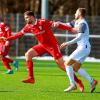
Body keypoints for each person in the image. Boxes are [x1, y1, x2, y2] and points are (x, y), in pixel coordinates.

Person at [1, 11, 84, 92]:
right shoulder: (28, 26)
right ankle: (31, 78)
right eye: (25, 18)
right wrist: (7, 39)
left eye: (27, 18)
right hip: (42, 46)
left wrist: (71, 29)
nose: (26, 20)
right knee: (28, 54)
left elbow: (57, 25)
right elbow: (19, 34)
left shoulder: (42, 22)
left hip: (52, 46)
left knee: (62, 66)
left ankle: (78, 82)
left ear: (32, 17)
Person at [59, 8, 98, 93]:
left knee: (67, 63)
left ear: (79, 13)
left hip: (83, 47)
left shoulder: (82, 23)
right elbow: (67, 24)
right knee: (76, 68)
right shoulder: (76, 22)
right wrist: (58, 23)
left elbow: (79, 37)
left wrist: (67, 43)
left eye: (76, 12)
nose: (74, 14)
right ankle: (92, 81)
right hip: (84, 48)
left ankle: (72, 84)